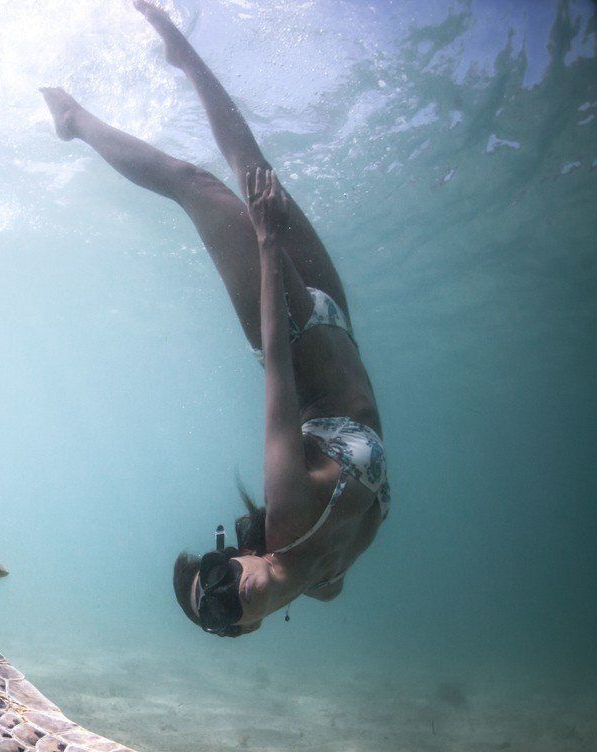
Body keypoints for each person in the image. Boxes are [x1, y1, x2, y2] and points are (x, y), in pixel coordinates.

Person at [41, 1, 388, 637]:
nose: (234, 590)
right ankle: (161, 65)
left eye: (217, 576)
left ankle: (83, 116)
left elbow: (278, 373)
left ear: (231, 554)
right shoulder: (327, 585)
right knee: (246, 170)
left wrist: (264, 241)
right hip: (338, 325)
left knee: (199, 183)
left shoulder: (288, 516)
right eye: (224, 609)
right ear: (246, 629)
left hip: (291, 332)